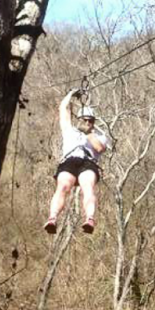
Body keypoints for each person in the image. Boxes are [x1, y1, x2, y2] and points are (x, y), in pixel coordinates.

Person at [45, 90, 111, 235]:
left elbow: (99, 148)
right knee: (63, 186)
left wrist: (88, 133)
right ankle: (53, 218)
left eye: (90, 120)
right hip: (70, 160)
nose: (87, 122)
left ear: (93, 122)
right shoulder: (69, 130)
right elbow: (63, 108)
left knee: (87, 187)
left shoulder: (99, 136)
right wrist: (70, 94)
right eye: (84, 119)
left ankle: (90, 219)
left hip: (88, 162)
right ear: (79, 119)